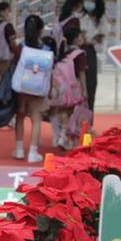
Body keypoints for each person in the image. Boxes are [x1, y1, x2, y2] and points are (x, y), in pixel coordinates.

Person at [48, 19, 89, 149]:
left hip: (62, 88)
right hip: (74, 87)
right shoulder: (80, 54)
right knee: (73, 113)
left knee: (62, 111)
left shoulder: (64, 53)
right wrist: (85, 90)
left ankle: (60, 136)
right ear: (76, 39)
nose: (83, 38)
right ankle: (66, 137)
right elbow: (82, 74)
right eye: (81, 36)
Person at [13, 15, 48, 163]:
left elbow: (14, 65)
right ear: (41, 30)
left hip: (21, 87)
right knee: (36, 119)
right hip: (38, 87)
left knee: (20, 116)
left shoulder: (21, 47)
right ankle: (33, 152)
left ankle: (19, 149)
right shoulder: (46, 48)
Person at [81, 0, 111, 113]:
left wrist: (91, 41)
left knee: (90, 86)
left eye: (92, 1)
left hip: (90, 52)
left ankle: (88, 120)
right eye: (87, 0)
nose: (89, 3)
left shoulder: (101, 19)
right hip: (76, 51)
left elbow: (102, 37)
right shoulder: (79, 16)